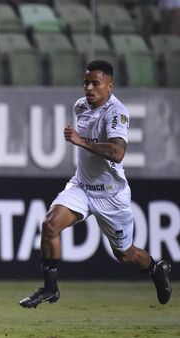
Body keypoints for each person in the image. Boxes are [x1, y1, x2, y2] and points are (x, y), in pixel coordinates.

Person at [19, 60, 172, 309]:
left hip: (111, 195)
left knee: (124, 254)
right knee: (49, 225)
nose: (89, 88)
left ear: (109, 86)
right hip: (81, 186)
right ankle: (50, 288)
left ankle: (155, 268)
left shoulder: (117, 113)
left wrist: (81, 141)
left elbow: (117, 152)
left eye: (95, 83)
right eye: (86, 82)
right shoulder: (81, 106)